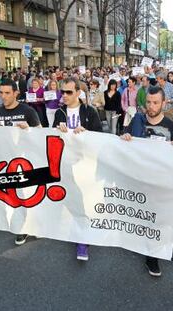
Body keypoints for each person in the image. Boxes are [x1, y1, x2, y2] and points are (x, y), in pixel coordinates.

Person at [121, 86, 173, 277]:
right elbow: (122, 147)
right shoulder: (136, 121)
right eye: (148, 102)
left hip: (160, 182)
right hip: (139, 179)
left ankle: (152, 256)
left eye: (156, 102)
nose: (151, 106)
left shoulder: (171, 126)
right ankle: (142, 244)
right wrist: (125, 138)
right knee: (142, 215)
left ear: (164, 103)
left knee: (158, 218)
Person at [0, 79, 41, 246]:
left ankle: (32, 225)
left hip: (26, 160)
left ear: (16, 93)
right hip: (7, 161)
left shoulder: (28, 111)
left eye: (7, 93)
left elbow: (40, 133)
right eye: (1, 93)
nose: (3, 96)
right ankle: (21, 225)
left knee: (28, 195)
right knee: (14, 195)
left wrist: (29, 130)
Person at [53, 77, 102, 261]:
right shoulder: (59, 112)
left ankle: (83, 240)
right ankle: (75, 231)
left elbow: (100, 137)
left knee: (84, 202)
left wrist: (87, 133)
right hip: (66, 164)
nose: (64, 95)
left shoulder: (90, 111)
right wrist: (58, 130)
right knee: (72, 200)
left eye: (68, 92)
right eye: (62, 92)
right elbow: (51, 137)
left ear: (78, 93)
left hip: (85, 164)